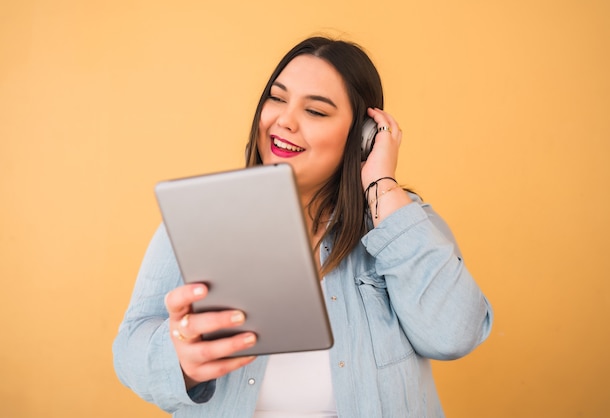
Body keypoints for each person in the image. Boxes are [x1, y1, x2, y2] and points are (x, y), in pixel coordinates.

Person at [113, 36, 493, 417]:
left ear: (361, 136)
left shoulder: (402, 224)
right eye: (277, 98)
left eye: (315, 111)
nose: (285, 121)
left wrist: (382, 185)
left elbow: (453, 335)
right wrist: (177, 355)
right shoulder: (200, 220)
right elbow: (130, 349)